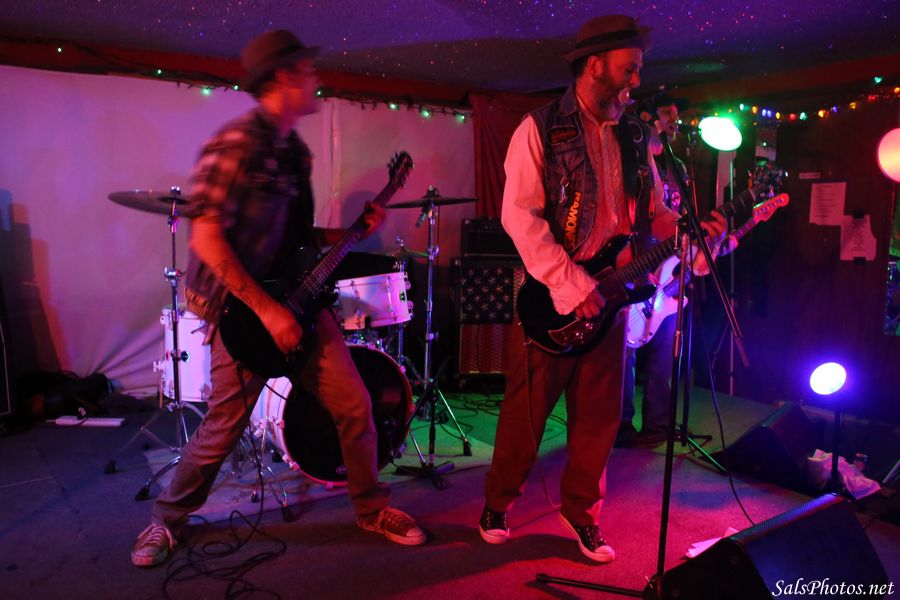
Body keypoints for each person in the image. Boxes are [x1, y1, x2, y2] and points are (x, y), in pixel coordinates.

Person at [131, 29, 425, 568]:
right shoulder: (235, 145)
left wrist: (348, 232)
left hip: (299, 302)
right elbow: (207, 239)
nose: (316, 80)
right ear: (285, 77)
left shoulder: (295, 153)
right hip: (243, 310)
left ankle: (370, 508)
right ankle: (166, 521)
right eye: (307, 71)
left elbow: (295, 238)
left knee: (355, 406)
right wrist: (268, 312)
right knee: (223, 428)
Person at [479, 15, 726, 562]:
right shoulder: (539, 128)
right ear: (594, 65)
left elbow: (655, 215)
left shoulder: (635, 136)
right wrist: (570, 283)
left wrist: (687, 229)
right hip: (553, 298)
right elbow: (519, 217)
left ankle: (583, 513)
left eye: (638, 70)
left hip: (614, 296)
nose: (637, 81)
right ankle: (497, 503)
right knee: (526, 415)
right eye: (628, 69)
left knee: (600, 418)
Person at [617, 92, 691, 449]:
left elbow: (680, 219)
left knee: (665, 350)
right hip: (636, 265)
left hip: (669, 271)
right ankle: (620, 425)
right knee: (625, 349)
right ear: (647, 118)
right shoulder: (633, 161)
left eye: (677, 113)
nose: (674, 119)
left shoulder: (679, 169)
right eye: (667, 112)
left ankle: (657, 424)